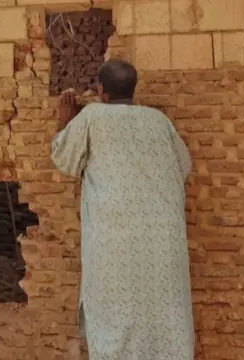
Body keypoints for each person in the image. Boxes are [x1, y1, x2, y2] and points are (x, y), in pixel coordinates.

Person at [51, 59, 194, 360]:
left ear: (101, 90)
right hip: (163, 245)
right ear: (133, 89)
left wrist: (65, 122)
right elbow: (183, 166)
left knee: (117, 326)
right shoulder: (159, 121)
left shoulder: (92, 117)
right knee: (165, 322)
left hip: (115, 246)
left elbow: (65, 159)